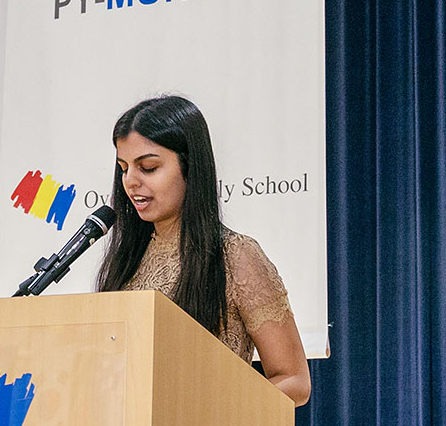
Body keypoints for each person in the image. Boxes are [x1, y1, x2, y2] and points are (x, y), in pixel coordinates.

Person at [96, 95, 311, 406]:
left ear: (190, 167)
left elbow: (294, 381)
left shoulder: (236, 257)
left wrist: (208, 409)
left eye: (148, 167)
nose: (131, 181)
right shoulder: (126, 261)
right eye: (124, 168)